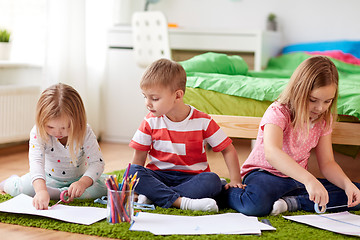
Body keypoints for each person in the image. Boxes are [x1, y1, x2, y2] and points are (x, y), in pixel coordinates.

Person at [224, 55, 360, 216]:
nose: (320, 108)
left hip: (296, 180)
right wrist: (310, 180)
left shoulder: (324, 119)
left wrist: (346, 184)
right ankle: (225, 191)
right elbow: (272, 153)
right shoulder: (279, 111)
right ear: (299, 91)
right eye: (313, 100)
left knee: (355, 193)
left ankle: (292, 202)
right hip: (264, 174)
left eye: (327, 101)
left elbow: (328, 163)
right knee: (255, 205)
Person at [128, 58, 243, 212]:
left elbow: (228, 149)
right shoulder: (149, 121)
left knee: (212, 181)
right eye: (145, 96)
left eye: (154, 98)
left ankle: (157, 197)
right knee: (132, 171)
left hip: (192, 178)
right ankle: (181, 202)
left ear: (177, 95)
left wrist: (236, 179)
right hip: (159, 177)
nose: (148, 103)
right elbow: (139, 156)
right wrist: (134, 188)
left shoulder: (203, 121)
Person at [0, 83, 107, 210]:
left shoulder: (84, 131)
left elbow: (97, 163)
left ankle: (56, 193)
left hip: (78, 179)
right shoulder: (38, 132)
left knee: (105, 188)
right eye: (50, 127)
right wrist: (40, 191)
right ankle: (9, 183)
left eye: (65, 127)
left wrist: (82, 183)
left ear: (78, 121)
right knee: (22, 189)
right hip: (47, 179)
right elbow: (36, 163)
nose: (58, 133)